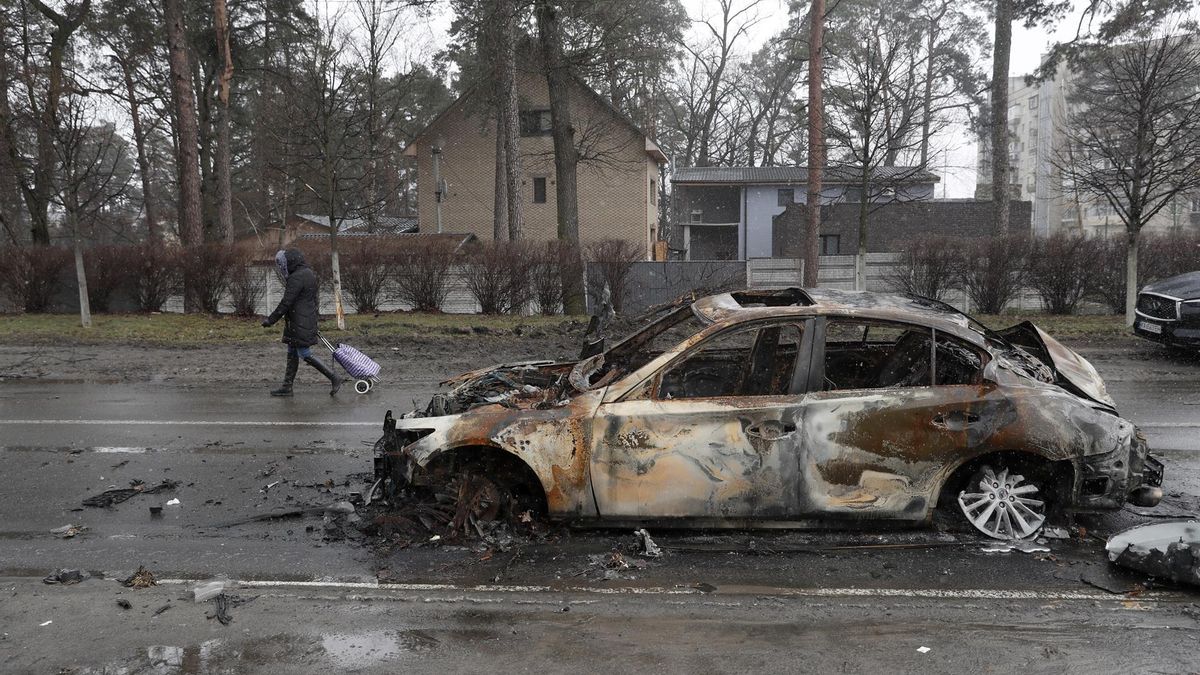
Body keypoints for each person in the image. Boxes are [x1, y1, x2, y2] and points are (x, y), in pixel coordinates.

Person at [262, 249, 342, 397]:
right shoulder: (308, 273)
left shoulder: (296, 278)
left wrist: (271, 320)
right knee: (292, 352)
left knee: (304, 353)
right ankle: (287, 387)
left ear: (289, 262)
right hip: (303, 319)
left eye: (282, 264)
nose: (281, 267)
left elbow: (286, 302)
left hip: (299, 320)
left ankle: (333, 377)